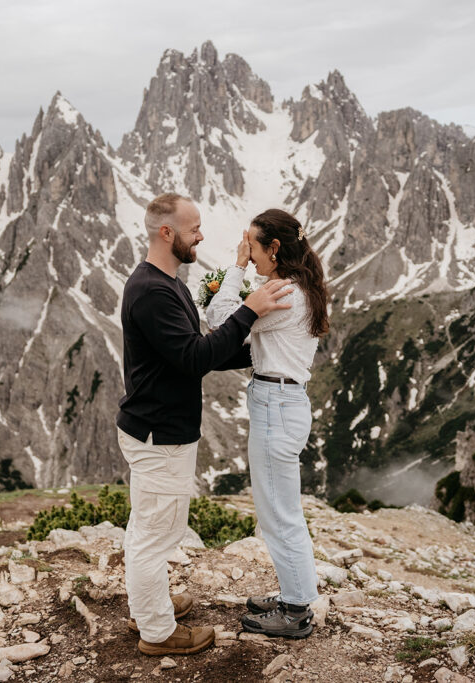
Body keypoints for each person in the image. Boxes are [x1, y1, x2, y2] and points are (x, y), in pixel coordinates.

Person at [117, 193, 294, 656]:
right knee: (157, 535)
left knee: (148, 527)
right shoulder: (154, 291)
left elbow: (194, 348)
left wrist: (259, 350)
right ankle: (156, 631)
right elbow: (195, 358)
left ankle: (148, 603)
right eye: (194, 229)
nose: (202, 236)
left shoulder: (164, 280)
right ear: (167, 233)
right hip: (160, 433)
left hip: (154, 426)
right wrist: (250, 310)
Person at [205, 208, 330, 639]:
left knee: (279, 512)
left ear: (273, 249)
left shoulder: (282, 293)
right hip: (280, 401)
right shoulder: (297, 287)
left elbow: (220, 320)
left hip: (276, 405)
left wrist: (236, 268)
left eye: (254, 247)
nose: (250, 254)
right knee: (277, 508)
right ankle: (292, 593)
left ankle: (296, 611)